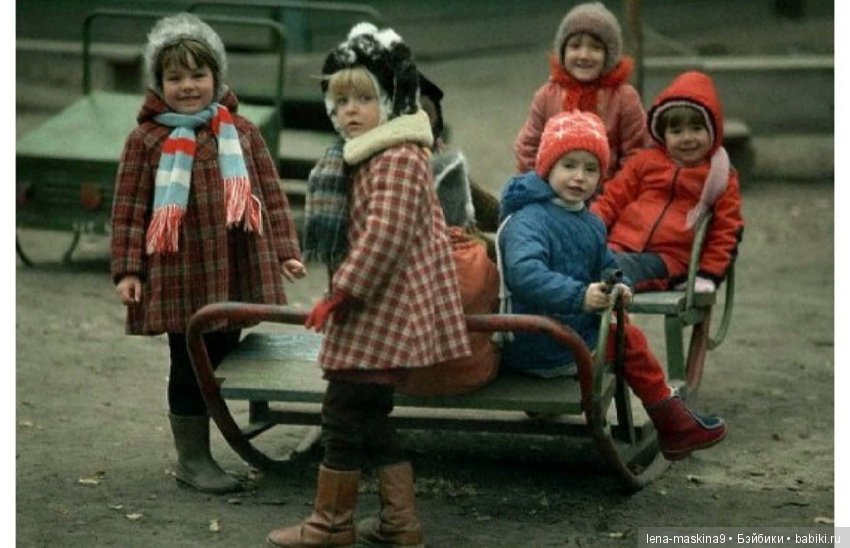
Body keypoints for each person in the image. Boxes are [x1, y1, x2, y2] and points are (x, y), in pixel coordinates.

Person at [266, 22, 470, 548]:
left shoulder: (399, 156)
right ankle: (400, 523)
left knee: (342, 410)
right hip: (376, 306)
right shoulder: (364, 153)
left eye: (363, 98)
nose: (349, 111)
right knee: (369, 414)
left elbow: (385, 237)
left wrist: (341, 292)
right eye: (340, 101)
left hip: (385, 306)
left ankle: (331, 525)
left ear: (392, 100)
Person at [110, 13, 305, 494]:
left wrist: (285, 251)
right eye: (174, 77)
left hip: (233, 264)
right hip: (179, 271)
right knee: (188, 358)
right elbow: (129, 209)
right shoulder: (146, 140)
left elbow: (270, 196)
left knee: (223, 353)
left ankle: (221, 440)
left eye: (198, 75)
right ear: (158, 83)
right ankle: (192, 460)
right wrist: (128, 269)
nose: (188, 86)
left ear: (217, 77)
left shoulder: (239, 131)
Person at [497, 110, 727, 461]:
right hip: (537, 341)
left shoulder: (588, 221)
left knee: (623, 329)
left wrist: (617, 285)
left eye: (591, 169)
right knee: (628, 339)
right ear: (547, 167)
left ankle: (672, 419)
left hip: (568, 334)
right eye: (569, 165)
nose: (579, 177)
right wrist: (580, 296)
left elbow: (605, 264)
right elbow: (524, 274)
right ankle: (674, 424)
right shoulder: (528, 220)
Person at [590, 71, 744, 292]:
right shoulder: (645, 162)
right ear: (663, 134)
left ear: (713, 130)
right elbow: (612, 198)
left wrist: (708, 274)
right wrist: (588, 229)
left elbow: (727, 230)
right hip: (619, 245)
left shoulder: (719, 175)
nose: (687, 138)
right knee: (579, 258)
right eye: (676, 131)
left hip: (668, 260)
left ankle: (605, 283)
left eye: (697, 129)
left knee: (613, 269)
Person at [514, 1, 650, 183]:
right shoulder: (547, 96)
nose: (584, 55)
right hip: (554, 192)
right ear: (562, 51)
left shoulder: (624, 98)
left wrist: (615, 194)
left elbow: (636, 152)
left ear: (609, 55)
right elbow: (529, 147)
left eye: (595, 47)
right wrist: (541, 187)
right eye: (575, 46)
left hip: (608, 194)